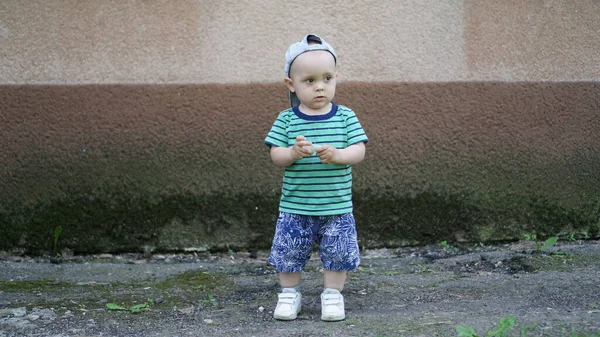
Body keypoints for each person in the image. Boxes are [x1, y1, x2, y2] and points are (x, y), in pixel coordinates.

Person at [264, 34, 368, 322]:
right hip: (296, 206)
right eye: (309, 80)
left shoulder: (345, 116)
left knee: (337, 253)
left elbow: (359, 150)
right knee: (289, 252)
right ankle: (289, 293)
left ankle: (333, 295)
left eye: (326, 78)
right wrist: (293, 153)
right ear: (291, 84)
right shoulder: (286, 119)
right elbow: (276, 156)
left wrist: (339, 155)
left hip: (336, 206)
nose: (319, 86)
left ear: (335, 78)